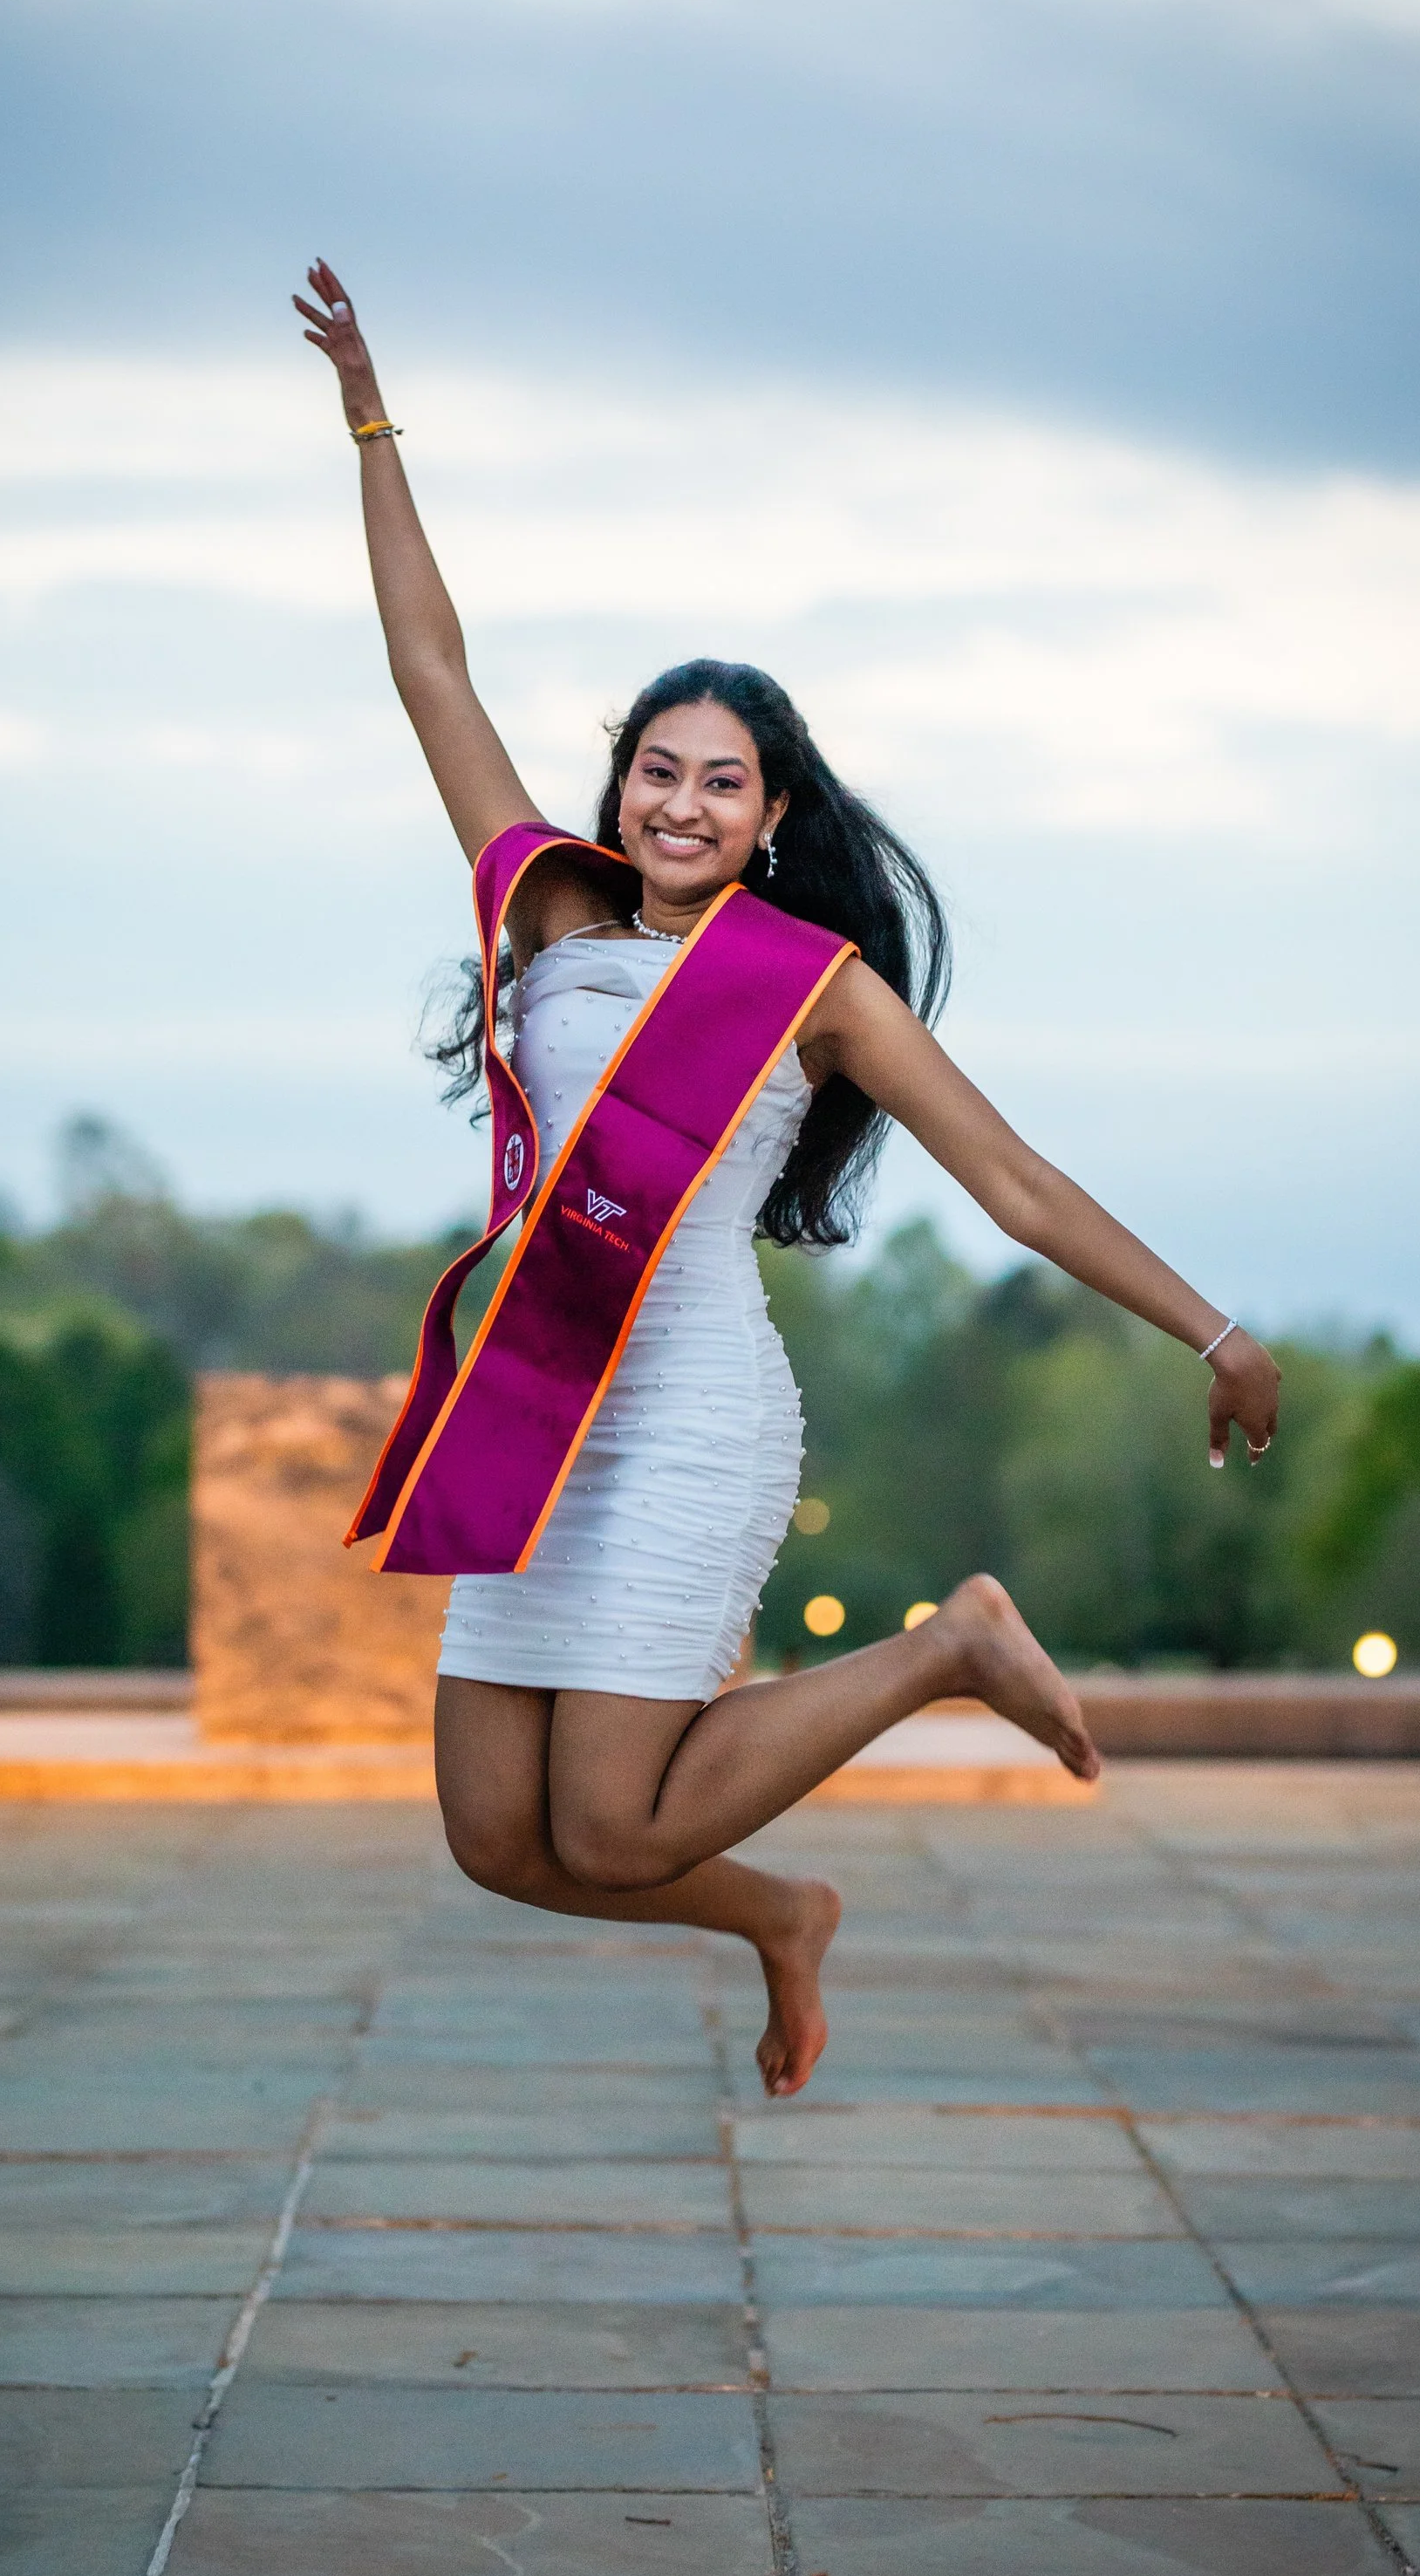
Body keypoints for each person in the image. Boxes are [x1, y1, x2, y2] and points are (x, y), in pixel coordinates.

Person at [296, 259, 1282, 2098]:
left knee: (606, 1827)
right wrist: (369, 418)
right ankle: (780, 1914)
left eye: (720, 784)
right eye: (654, 771)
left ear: (769, 814)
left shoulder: (807, 990)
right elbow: (425, 667)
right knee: (496, 1843)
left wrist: (1211, 1327)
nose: (679, 804)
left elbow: (1011, 1182)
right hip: (537, 1415)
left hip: (679, 1415)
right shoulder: (551, 915)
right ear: (621, 786)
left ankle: (944, 1650)